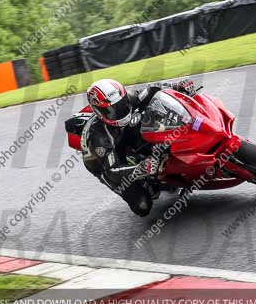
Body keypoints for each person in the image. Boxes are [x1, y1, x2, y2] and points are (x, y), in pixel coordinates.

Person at [81, 78, 197, 216]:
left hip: (122, 134)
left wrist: (176, 86)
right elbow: (112, 171)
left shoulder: (128, 99)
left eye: (122, 104)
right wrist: (140, 169)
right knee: (142, 206)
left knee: (149, 117)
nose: (120, 111)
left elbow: (152, 89)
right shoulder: (97, 137)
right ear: (99, 112)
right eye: (112, 110)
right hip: (106, 164)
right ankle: (149, 183)